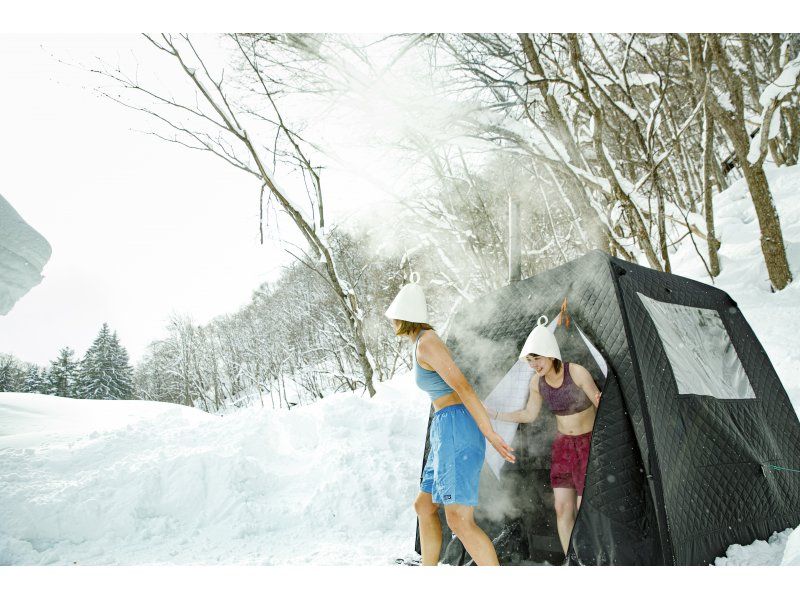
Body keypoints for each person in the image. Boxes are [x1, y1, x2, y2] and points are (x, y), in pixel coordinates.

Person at [386, 274, 515, 566]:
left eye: (394, 315)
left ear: (403, 317)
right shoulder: (420, 341)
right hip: (444, 427)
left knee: (458, 520)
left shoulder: (427, 342)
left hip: (457, 424)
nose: (391, 320)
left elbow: (463, 387)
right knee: (424, 505)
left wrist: (490, 432)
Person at [488, 315, 601, 556]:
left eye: (536, 358)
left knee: (585, 509)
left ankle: (594, 561)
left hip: (588, 444)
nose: (534, 365)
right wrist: (495, 414)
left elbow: (601, 404)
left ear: (550, 354)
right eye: (529, 360)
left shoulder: (576, 372)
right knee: (562, 508)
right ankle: (573, 560)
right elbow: (529, 415)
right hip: (563, 448)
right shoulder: (537, 383)